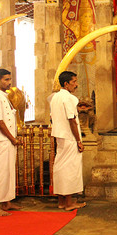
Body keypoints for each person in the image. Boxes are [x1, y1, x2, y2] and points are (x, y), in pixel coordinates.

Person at [50, 71, 87, 211]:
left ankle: (61, 201)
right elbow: (72, 120)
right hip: (70, 136)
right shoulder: (69, 98)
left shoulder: (55, 97)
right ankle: (69, 203)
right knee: (70, 169)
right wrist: (79, 140)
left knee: (60, 166)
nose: (76, 85)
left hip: (60, 135)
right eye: (74, 82)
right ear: (66, 84)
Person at [0, 69, 21, 216]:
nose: (9, 82)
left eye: (10, 79)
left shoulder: (4, 96)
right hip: (2, 140)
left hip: (8, 141)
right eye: (6, 79)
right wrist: (12, 138)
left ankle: (7, 202)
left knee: (8, 171)